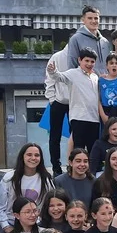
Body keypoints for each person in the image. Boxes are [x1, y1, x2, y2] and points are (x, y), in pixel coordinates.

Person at [0, 143, 53, 233]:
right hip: (12, 225)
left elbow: (51, 203)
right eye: (29, 155)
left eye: (37, 155)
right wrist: (6, 227)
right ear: (22, 157)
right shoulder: (9, 178)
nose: (33, 158)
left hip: (36, 226)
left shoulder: (46, 178)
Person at [49, 49, 101, 153]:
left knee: (93, 150)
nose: (89, 64)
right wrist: (53, 71)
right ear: (79, 60)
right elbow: (59, 76)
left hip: (94, 119)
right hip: (79, 118)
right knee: (78, 150)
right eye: (87, 61)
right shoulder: (73, 73)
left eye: (92, 61)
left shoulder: (95, 77)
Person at [45, 46, 71, 177]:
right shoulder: (57, 57)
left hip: (75, 103)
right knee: (55, 136)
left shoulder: (81, 57)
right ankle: (56, 167)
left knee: (76, 135)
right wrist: (52, 99)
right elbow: (49, 78)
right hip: (58, 101)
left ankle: (73, 164)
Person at [66, 5, 112, 71]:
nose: (93, 21)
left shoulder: (105, 42)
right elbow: (72, 66)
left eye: (96, 18)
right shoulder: (75, 39)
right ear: (83, 20)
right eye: (90, 18)